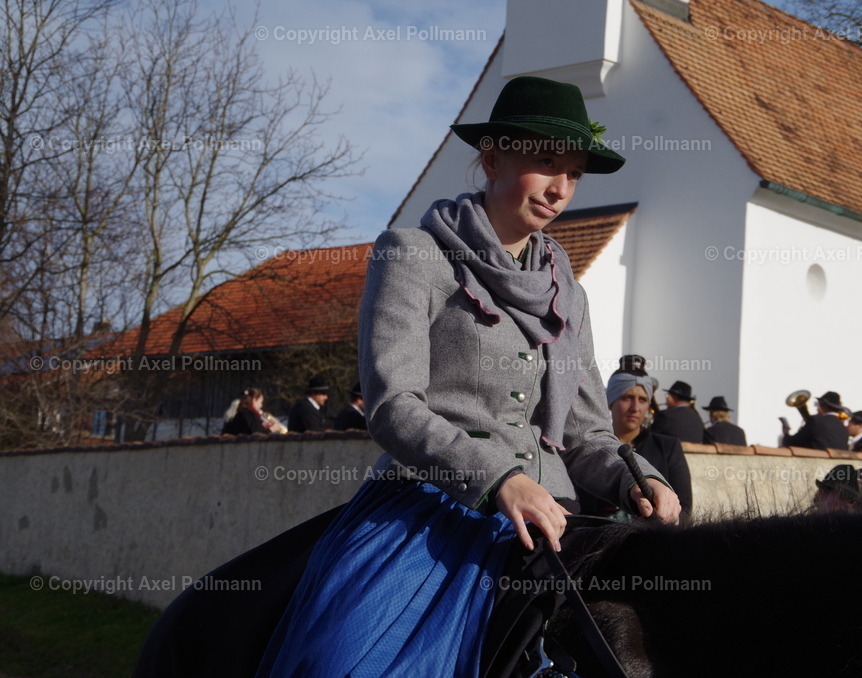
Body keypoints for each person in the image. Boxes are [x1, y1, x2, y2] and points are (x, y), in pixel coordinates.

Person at [254, 76, 680, 677]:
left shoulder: (570, 293)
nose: (560, 188)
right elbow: (392, 405)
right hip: (431, 512)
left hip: (553, 521)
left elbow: (587, 434)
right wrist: (499, 480)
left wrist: (639, 480)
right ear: (491, 158)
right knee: (345, 665)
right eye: (544, 162)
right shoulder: (411, 255)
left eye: (575, 172)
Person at [578, 372, 692, 523]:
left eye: (643, 400)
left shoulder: (667, 447)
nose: (635, 407)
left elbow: (683, 507)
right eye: (626, 398)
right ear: (610, 401)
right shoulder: (587, 447)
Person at [781, 390, 848, 451]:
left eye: (818, 405)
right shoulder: (844, 428)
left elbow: (791, 443)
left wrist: (786, 433)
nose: (817, 408)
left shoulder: (815, 421)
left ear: (822, 406)